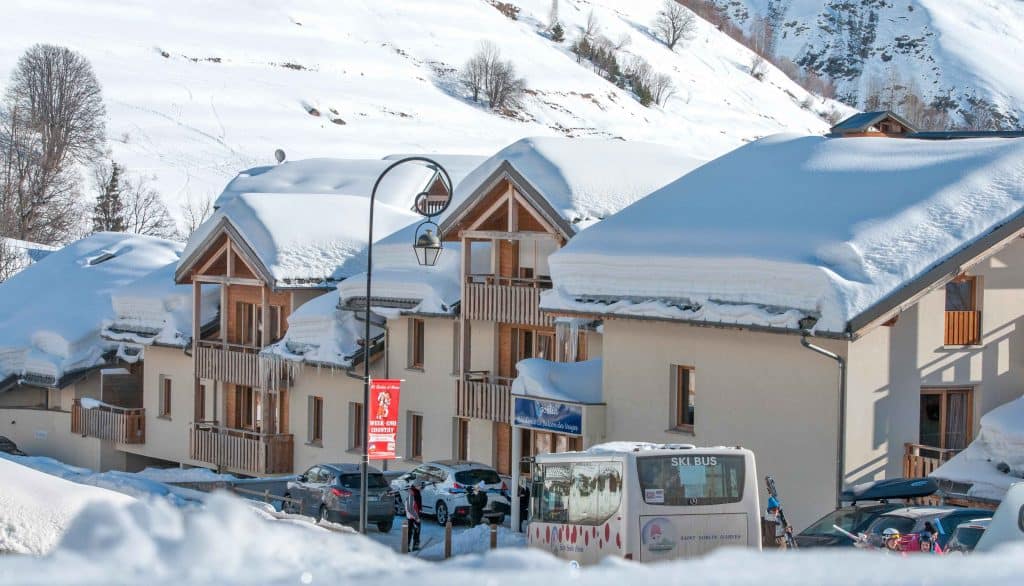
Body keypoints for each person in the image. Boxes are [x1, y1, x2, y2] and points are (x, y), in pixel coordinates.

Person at [405, 480, 423, 551]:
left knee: (416, 532)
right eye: (419, 486)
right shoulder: (411, 495)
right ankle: (407, 547)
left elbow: (417, 505)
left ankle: (415, 546)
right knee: (410, 532)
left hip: (415, 516)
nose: (420, 487)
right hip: (412, 517)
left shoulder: (417, 493)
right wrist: (416, 517)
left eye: (420, 486)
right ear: (415, 486)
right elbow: (410, 508)